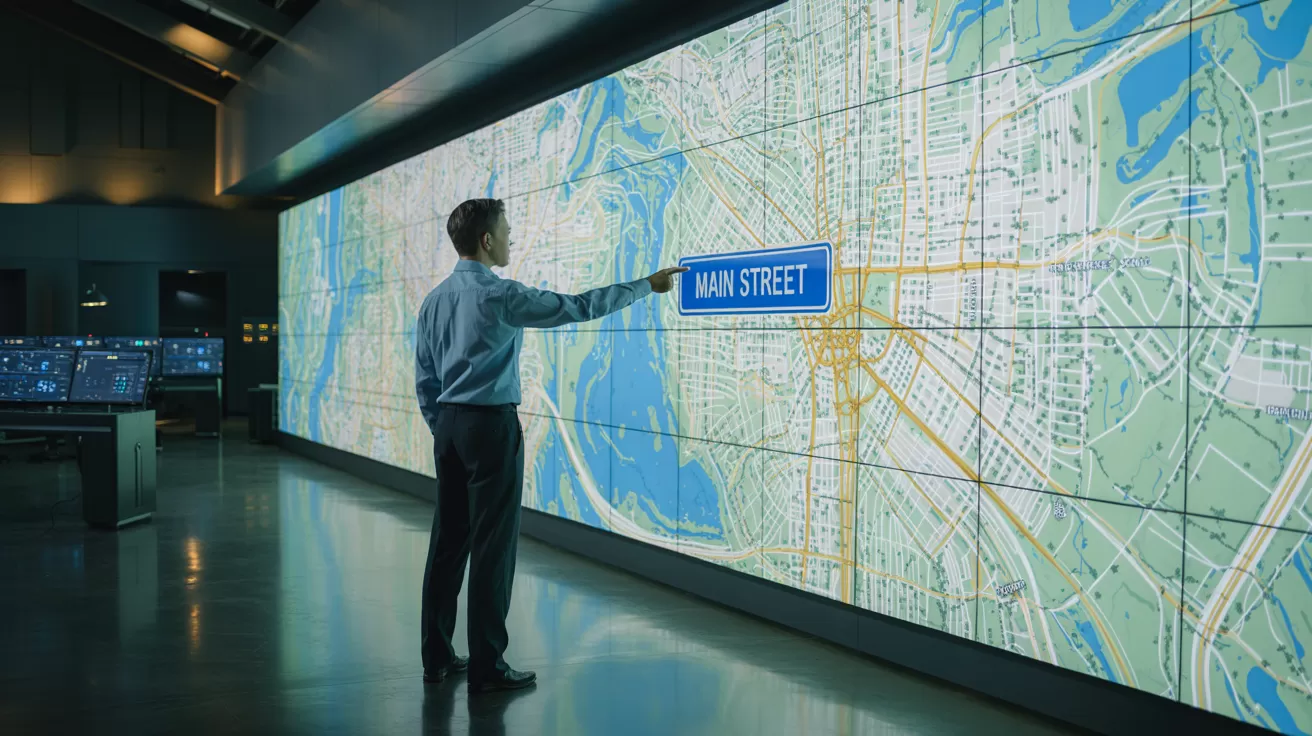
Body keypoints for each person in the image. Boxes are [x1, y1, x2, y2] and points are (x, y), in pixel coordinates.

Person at [414, 198, 686, 693]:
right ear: (487, 240)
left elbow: (425, 378)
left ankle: (436, 657)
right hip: (490, 428)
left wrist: (444, 426)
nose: (512, 235)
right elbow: (577, 307)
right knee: (492, 549)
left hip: (451, 426)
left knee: (448, 544)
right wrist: (647, 286)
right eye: (506, 229)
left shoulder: (434, 300)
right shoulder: (500, 296)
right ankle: (488, 667)